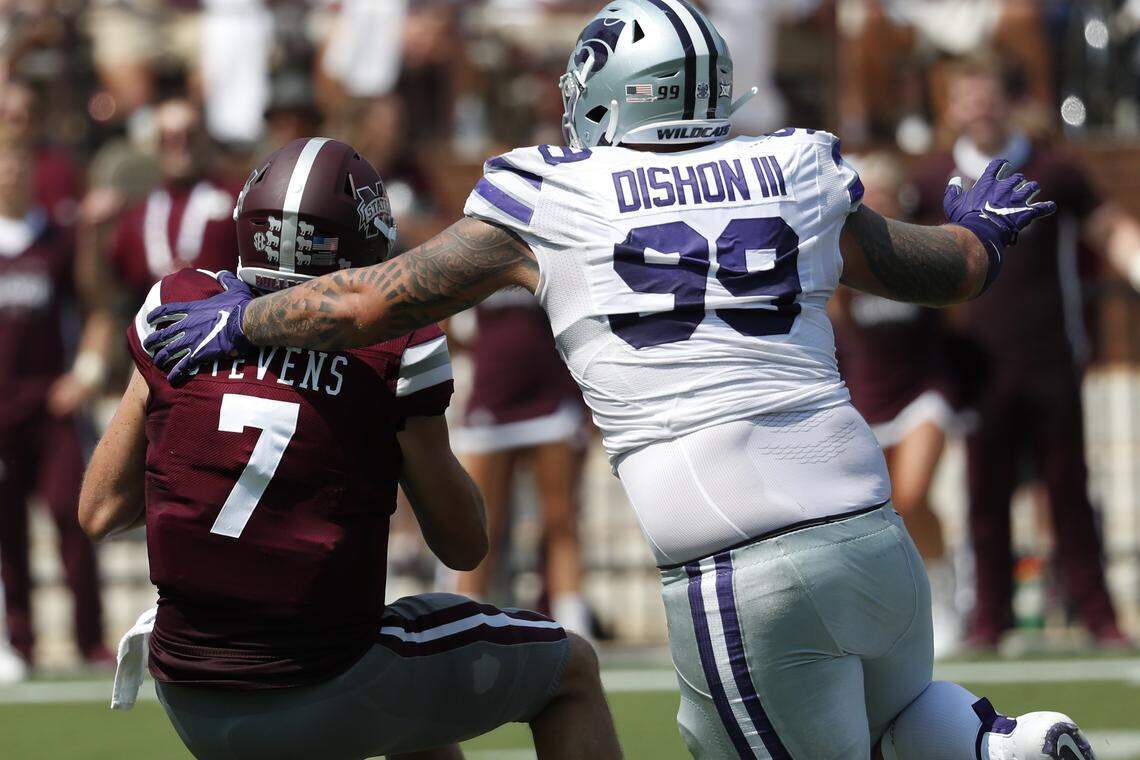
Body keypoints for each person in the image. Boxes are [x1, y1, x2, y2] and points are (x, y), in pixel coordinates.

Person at [141, 3, 1093, 759]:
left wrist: (245, 315)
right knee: (902, 722)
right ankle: (999, 745)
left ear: (616, 91)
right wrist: (986, 233)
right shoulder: (792, 165)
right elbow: (948, 269)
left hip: (742, 564)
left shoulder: (552, 194)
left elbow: (364, 306)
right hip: (871, 538)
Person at [79, 138, 621, 760]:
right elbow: (465, 543)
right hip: (326, 683)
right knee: (570, 670)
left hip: (188, 691)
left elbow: (99, 513)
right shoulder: (396, 347)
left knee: (420, 700)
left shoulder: (175, 308)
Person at [911, 54, 1140, 650]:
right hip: (976, 363)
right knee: (984, 498)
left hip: (1052, 357)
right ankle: (990, 618)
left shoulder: (1055, 169)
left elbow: (1111, 230)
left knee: (1067, 489)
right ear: (950, 106)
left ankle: (1098, 615)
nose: (978, 107)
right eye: (966, 97)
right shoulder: (934, 177)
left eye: (988, 95)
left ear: (1009, 100)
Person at [831, 151, 964, 658]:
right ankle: (898, 607)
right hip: (869, 396)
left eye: (881, 193)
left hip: (923, 392)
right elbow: (839, 326)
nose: (873, 204)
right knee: (880, 513)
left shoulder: (920, 247)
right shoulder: (841, 255)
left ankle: (946, 592)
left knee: (911, 494)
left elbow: (955, 317)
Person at [0, 129, 112, 674]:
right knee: (9, 533)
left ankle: (90, 640)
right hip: (2, 412)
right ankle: (19, 644)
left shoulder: (57, 239)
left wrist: (85, 374)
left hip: (51, 406)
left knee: (74, 514)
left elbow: (97, 308)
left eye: (17, 160)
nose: (10, 171)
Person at [451, 289, 590, 636]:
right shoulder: (475, 250)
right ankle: (466, 622)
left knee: (561, 518)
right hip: (491, 400)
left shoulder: (545, 246)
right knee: (482, 526)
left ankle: (574, 625)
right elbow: (443, 324)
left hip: (550, 397)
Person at [104, 97, 239, 308]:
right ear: (154, 144)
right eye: (168, 138)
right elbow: (110, 293)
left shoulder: (237, 200)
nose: (180, 145)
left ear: (205, 138)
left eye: (190, 136)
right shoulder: (137, 216)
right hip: (156, 333)